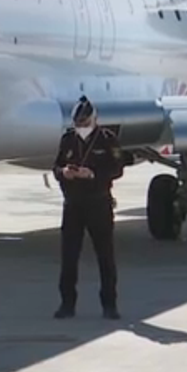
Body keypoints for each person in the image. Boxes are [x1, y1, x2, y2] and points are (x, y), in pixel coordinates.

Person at [51, 96, 123, 320]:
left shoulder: (107, 139)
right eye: (77, 123)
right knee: (69, 257)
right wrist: (64, 173)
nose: (81, 127)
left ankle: (109, 304)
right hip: (73, 205)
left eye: (84, 123)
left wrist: (93, 174)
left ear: (94, 119)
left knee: (105, 256)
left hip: (98, 203)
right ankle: (67, 304)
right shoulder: (68, 140)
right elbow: (56, 166)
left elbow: (117, 169)